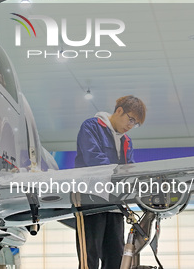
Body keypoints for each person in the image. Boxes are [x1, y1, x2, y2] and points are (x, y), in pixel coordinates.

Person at [73, 95, 146, 269]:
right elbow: (94, 159)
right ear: (119, 110)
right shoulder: (91, 126)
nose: (130, 126)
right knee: (89, 254)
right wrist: (119, 176)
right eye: (130, 119)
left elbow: (129, 167)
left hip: (114, 201)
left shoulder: (126, 140)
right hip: (90, 197)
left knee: (116, 255)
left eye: (135, 124)